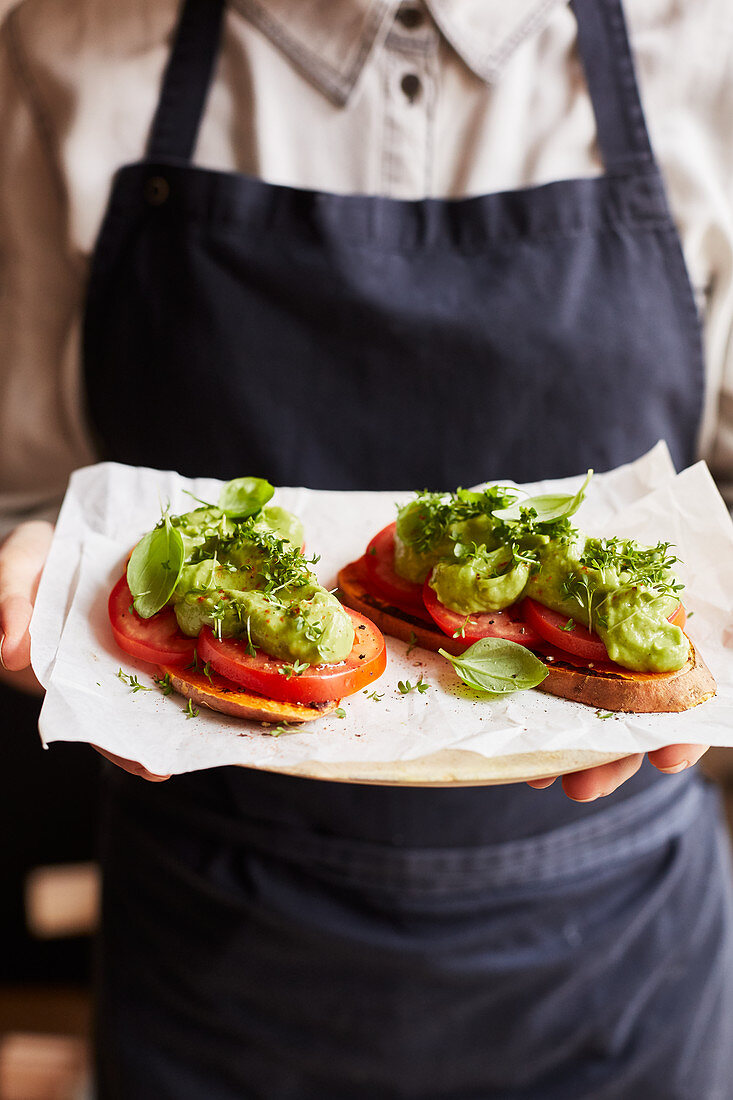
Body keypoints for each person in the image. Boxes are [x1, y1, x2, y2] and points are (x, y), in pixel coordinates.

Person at [1, 0, 732, 1095]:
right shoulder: (68, 48)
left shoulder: (709, 45)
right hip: (212, 950)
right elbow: (24, 483)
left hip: (618, 968)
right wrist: (32, 561)